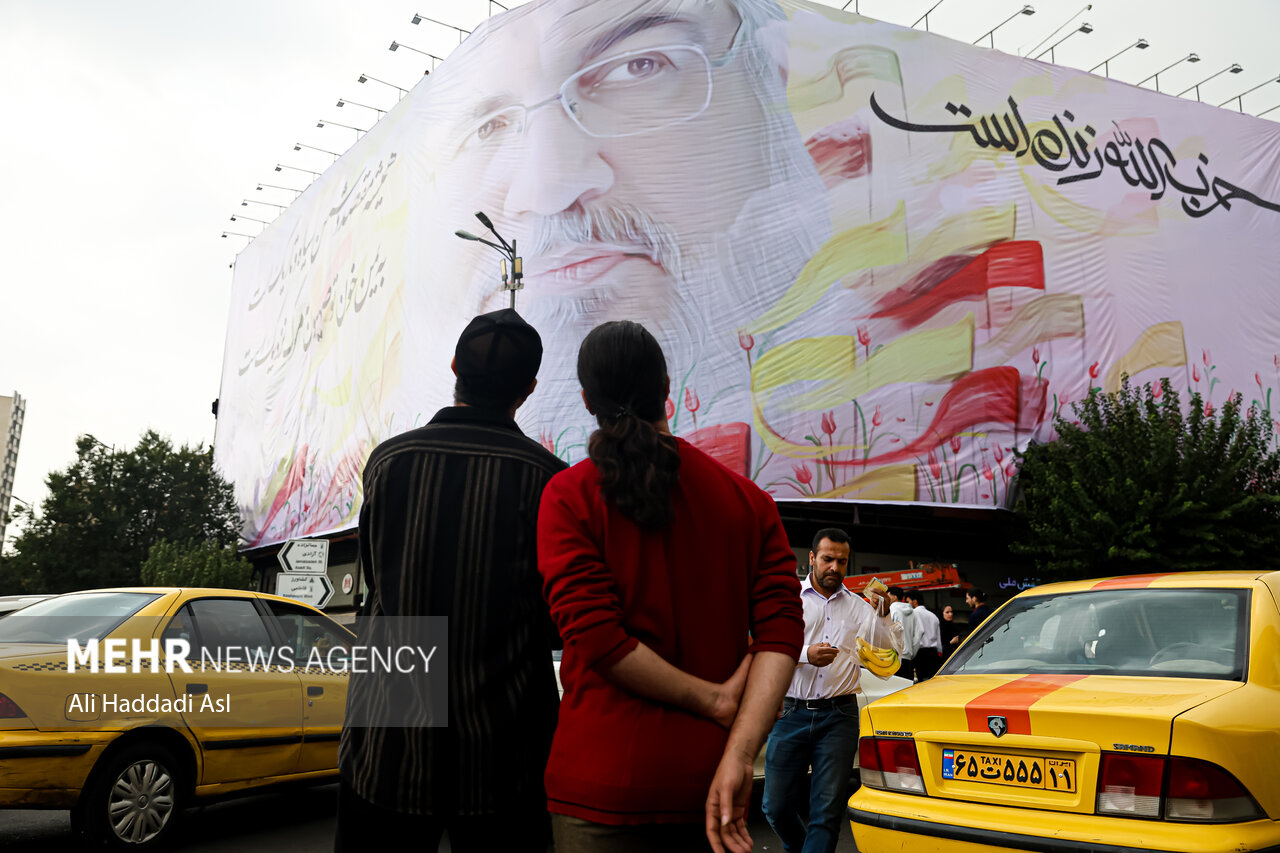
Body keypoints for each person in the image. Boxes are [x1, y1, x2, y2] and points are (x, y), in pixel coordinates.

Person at [429, 0, 830, 430]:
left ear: (772, 77)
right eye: (488, 127)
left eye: (638, 66)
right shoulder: (739, 497)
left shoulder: (391, 467)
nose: (547, 190)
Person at [537, 320, 803, 853]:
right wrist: (740, 755)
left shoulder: (567, 496)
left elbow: (597, 640)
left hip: (599, 785)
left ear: (587, 399)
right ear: (668, 390)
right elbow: (781, 633)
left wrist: (714, 701)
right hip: (711, 788)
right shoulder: (748, 501)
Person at [337, 309, 567, 853]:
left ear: (454, 367)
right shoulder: (547, 479)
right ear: (529, 388)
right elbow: (550, 617)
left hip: (384, 744)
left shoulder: (388, 463)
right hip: (502, 754)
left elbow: (379, 587)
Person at [762, 528, 902, 853]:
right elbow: (767, 646)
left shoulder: (859, 607)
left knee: (825, 814)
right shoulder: (789, 599)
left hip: (839, 716)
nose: (834, 568)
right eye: (827, 559)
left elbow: (888, 657)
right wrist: (805, 654)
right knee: (775, 806)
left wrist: (882, 615)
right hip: (791, 711)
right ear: (811, 558)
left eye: (842, 562)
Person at [905, 590, 943, 680]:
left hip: (919, 653)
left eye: (908, 601)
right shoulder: (933, 616)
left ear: (915, 601)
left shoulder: (912, 614)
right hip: (933, 653)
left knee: (921, 681)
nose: (907, 604)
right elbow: (938, 639)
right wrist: (939, 653)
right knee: (932, 680)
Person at [886, 586, 921, 682]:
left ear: (894, 597)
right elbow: (919, 633)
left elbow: (889, 632)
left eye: (888, 595)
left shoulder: (892, 610)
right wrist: (911, 652)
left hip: (895, 657)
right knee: (907, 687)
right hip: (908, 657)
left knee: (895, 689)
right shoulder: (912, 612)